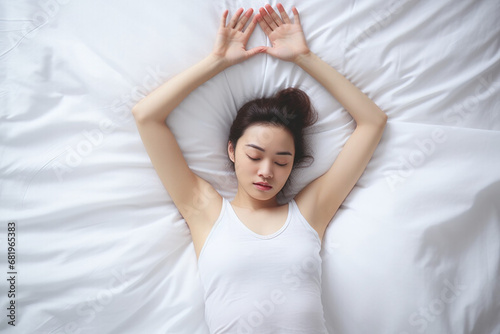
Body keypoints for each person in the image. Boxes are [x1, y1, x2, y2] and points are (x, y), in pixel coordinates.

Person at [132, 4, 387, 333]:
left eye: (282, 161)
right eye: (255, 156)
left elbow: (372, 122)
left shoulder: (310, 212)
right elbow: (146, 116)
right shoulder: (204, 210)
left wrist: (303, 57)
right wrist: (217, 61)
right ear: (232, 151)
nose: (267, 171)